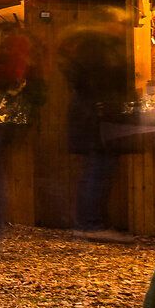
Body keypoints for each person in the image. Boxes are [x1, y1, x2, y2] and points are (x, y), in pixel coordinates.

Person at [63, 30, 130, 239]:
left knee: (94, 172)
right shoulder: (100, 68)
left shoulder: (81, 66)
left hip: (88, 122)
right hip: (96, 123)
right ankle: (91, 224)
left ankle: (89, 223)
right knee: (98, 172)